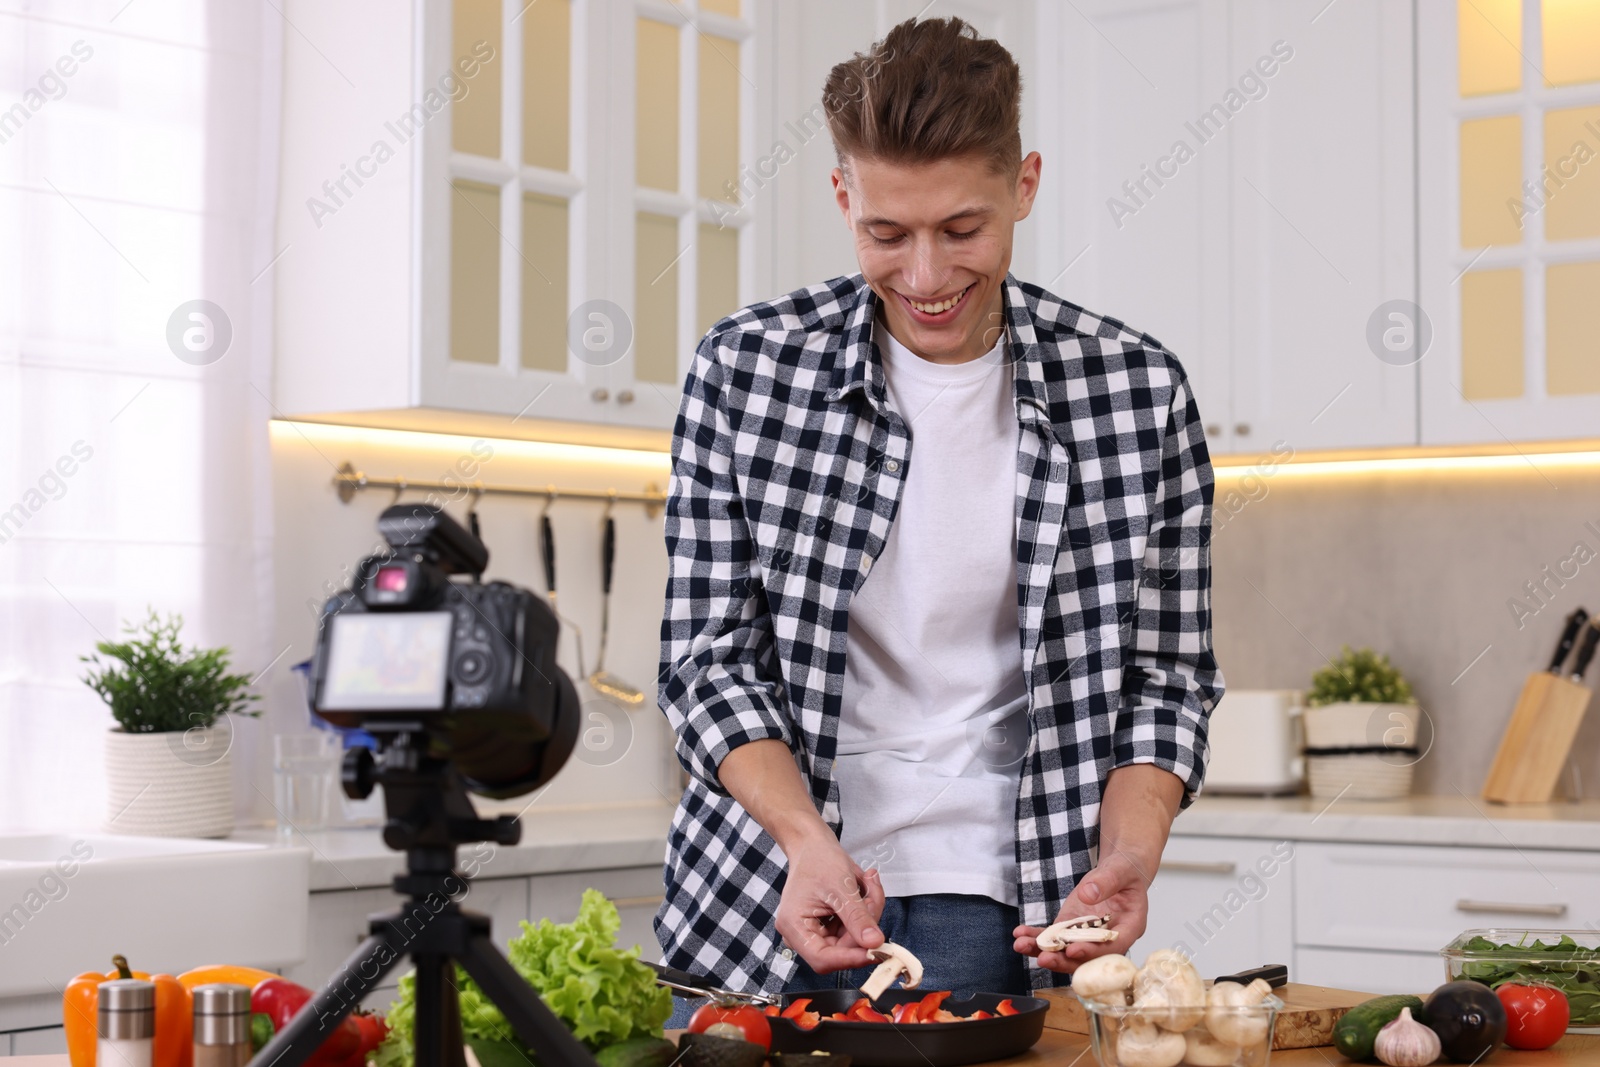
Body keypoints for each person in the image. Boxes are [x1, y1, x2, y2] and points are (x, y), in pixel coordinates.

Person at [654, 16, 1222, 1015]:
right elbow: (708, 658)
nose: (924, 276)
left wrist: (1130, 852)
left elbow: (1165, 677)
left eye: (963, 229)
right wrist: (803, 839)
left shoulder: (1134, 391)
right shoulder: (746, 370)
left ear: (1025, 185)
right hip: (756, 890)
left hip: (995, 897)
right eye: (886, 233)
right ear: (841, 196)